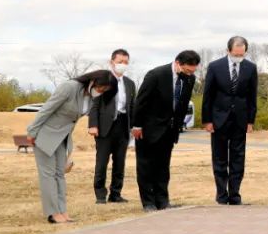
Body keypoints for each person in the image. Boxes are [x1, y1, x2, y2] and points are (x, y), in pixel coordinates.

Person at [26, 70, 115, 224]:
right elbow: (47, 109)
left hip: (62, 137)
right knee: (48, 175)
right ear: (93, 81)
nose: (100, 92)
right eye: (100, 89)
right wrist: (32, 131)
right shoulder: (69, 87)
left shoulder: (90, 97)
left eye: (104, 91)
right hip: (45, 134)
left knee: (60, 174)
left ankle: (62, 211)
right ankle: (52, 213)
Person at [132, 51, 200, 212]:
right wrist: (137, 125)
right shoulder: (156, 75)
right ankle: (148, 202)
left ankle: (162, 201)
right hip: (148, 129)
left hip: (170, 130)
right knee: (146, 166)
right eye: (188, 70)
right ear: (177, 63)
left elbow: (182, 105)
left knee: (163, 167)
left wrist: (178, 126)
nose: (190, 74)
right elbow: (141, 101)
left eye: (193, 71)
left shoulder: (189, 79)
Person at [201, 36, 258, 205]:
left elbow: (252, 96)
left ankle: (235, 193)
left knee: (238, 157)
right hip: (219, 119)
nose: (238, 57)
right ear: (228, 51)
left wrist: (250, 120)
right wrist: (207, 120)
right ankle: (221, 193)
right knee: (219, 157)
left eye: (242, 55)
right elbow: (208, 95)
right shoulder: (214, 67)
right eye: (235, 54)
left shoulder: (250, 68)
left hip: (240, 119)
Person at [88, 49, 136, 203]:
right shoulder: (102, 80)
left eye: (125, 62)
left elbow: (132, 106)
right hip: (104, 127)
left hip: (123, 126)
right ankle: (100, 195)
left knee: (120, 162)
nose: (122, 65)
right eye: (119, 62)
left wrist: (134, 126)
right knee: (102, 162)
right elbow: (94, 105)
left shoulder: (130, 84)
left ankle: (115, 193)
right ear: (111, 62)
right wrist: (93, 125)